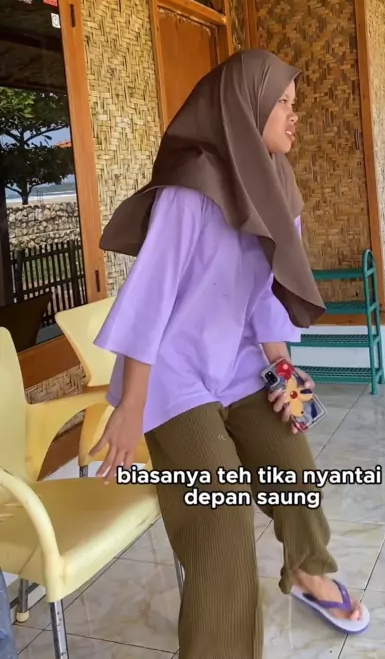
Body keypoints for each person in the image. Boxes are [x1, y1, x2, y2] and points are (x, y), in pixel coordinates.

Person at [91, 50, 369, 658]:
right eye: (283, 104)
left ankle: (307, 571)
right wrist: (131, 404)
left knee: (295, 465)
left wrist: (285, 374)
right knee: (221, 512)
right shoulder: (192, 187)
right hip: (171, 375)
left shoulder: (280, 185)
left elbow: (267, 296)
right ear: (246, 107)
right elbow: (149, 298)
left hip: (240, 364)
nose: (295, 116)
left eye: (295, 104)